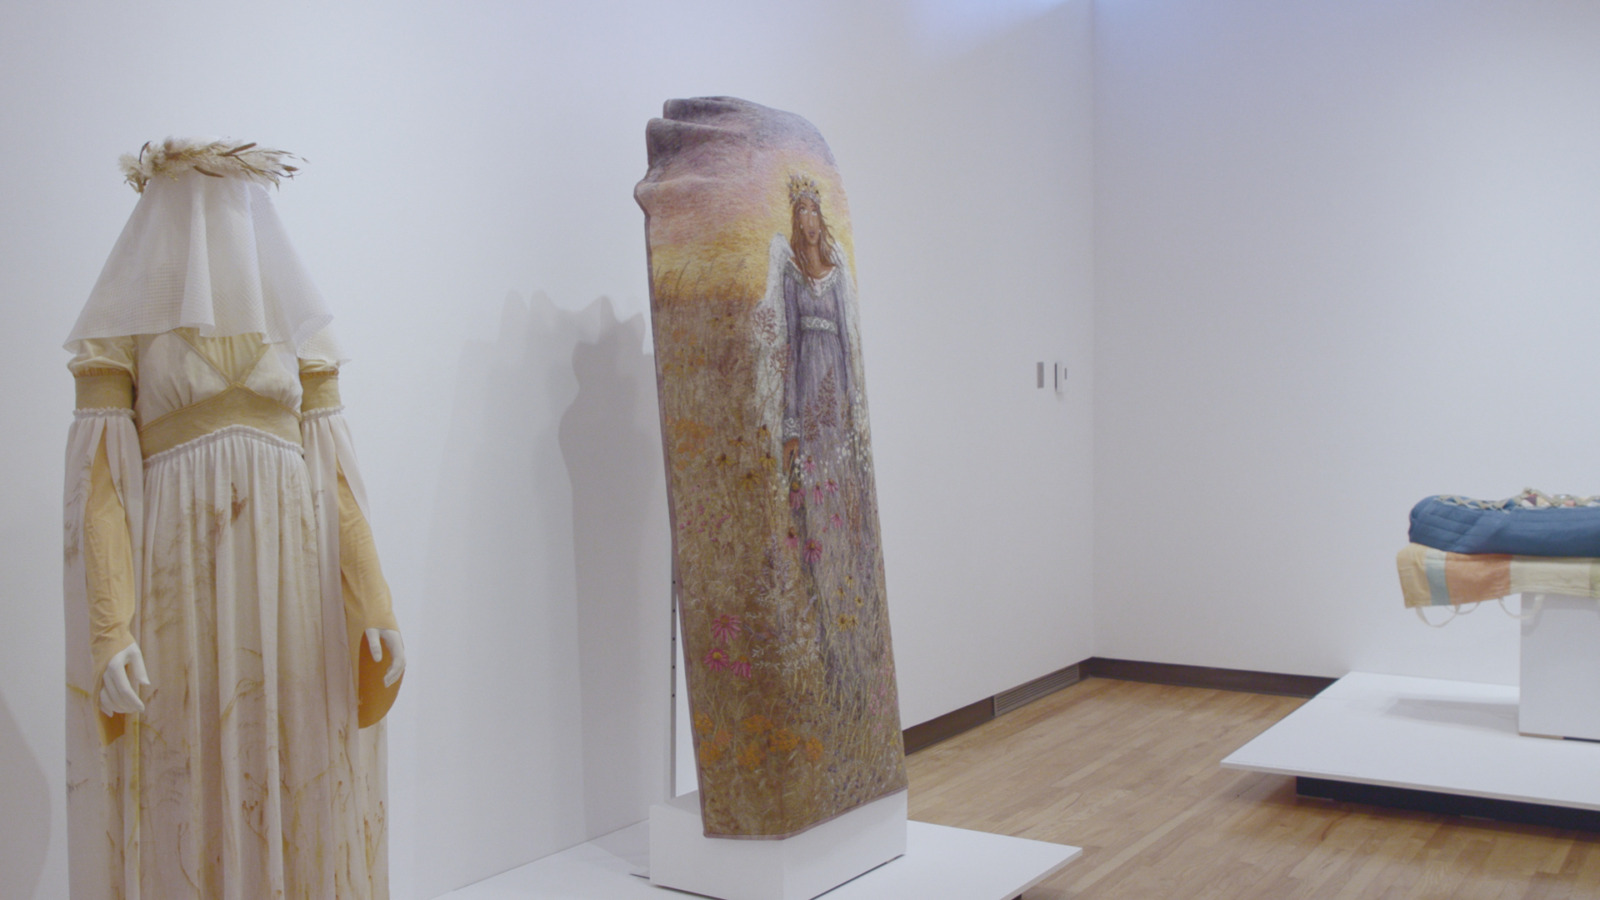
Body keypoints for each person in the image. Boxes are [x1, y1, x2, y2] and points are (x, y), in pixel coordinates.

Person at [63, 138, 404, 899]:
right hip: (178, 577)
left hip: (290, 578)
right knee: (186, 765)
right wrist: (111, 625)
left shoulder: (296, 327)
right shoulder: (125, 325)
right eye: (193, 200)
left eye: (231, 202)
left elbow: (336, 476)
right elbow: (101, 484)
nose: (213, 220)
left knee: (289, 752)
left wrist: (371, 598)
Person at [767, 174, 883, 688]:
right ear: (796, 222)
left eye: (815, 211)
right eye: (802, 214)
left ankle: (854, 631)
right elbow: (790, 349)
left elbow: (850, 352)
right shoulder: (792, 277)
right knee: (812, 510)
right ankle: (823, 638)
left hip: (836, 405)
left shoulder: (837, 277)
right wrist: (791, 425)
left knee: (843, 509)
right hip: (808, 404)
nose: (810, 221)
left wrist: (855, 410)